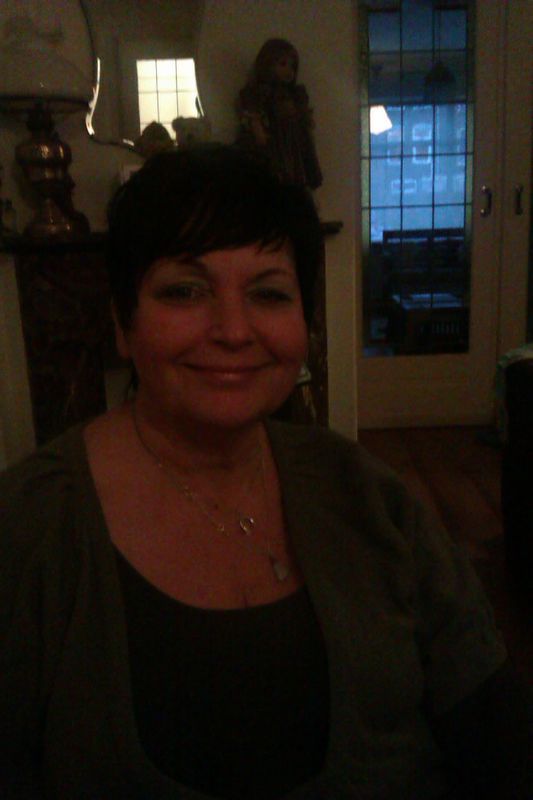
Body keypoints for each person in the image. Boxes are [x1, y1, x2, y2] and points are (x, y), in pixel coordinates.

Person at [0, 145, 530, 800]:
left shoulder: (369, 494)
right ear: (121, 323)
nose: (232, 330)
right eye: (185, 290)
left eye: (269, 293)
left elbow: (494, 728)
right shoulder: (30, 530)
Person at [237, 39, 323, 190]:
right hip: (275, 144)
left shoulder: (295, 94)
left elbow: (303, 119)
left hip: (293, 143)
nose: (288, 70)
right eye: (282, 64)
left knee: (294, 177)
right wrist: (259, 133)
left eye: (292, 66)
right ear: (267, 64)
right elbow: (254, 117)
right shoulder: (260, 93)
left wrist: (305, 123)